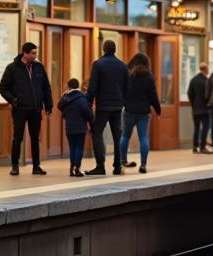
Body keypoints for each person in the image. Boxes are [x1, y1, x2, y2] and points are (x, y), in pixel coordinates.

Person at [0, 41, 53, 176]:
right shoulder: (12, 68)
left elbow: (46, 88)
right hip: (20, 109)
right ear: (25, 53)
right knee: (17, 138)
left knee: (35, 138)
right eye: (33, 53)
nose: (35, 56)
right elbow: (3, 88)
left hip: (35, 109)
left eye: (36, 53)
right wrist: (13, 100)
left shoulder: (39, 68)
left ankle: (36, 166)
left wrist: (48, 105)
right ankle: (15, 166)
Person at [85, 39, 133, 175]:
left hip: (103, 106)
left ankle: (100, 166)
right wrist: (123, 102)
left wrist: (88, 102)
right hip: (118, 107)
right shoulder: (123, 66)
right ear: (115, 49)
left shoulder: (98, 64)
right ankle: (117, 166)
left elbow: (93, 86)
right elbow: (127, 87)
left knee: (96, 132)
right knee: (117, 135)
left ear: (103, 49)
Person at [120, 53, 161, 174]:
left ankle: (123, 160)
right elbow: (153, 95)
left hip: (129, 110)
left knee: (125, 136)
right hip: (143, 112)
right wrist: (158, 110)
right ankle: (143, 165)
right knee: (143, 137)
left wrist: (124, 103)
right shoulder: (149, 77)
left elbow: (123, 92)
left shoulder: (128, 75)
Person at [58, 77, 93, 178]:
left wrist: (64, 95)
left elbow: (59, 106)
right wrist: (91, 119)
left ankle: (71, 167)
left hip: (69, 126)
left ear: (68, 86)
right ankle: (77, 168)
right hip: (80, 127)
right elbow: (87, 113)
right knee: (79, 147)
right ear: (78, 86)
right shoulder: (81, 98)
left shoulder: (65, 97)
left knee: (72, 147)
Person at [187, 63, 211, 153]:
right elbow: (208, 94)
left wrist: (193, 104)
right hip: (205, 108)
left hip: (195, 108)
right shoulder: (207, 81)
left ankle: (194, 146)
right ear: (205, 69)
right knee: (205, 127)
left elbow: (189, 93)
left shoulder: (193, 80)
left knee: (196, 128)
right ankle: (202, 147)